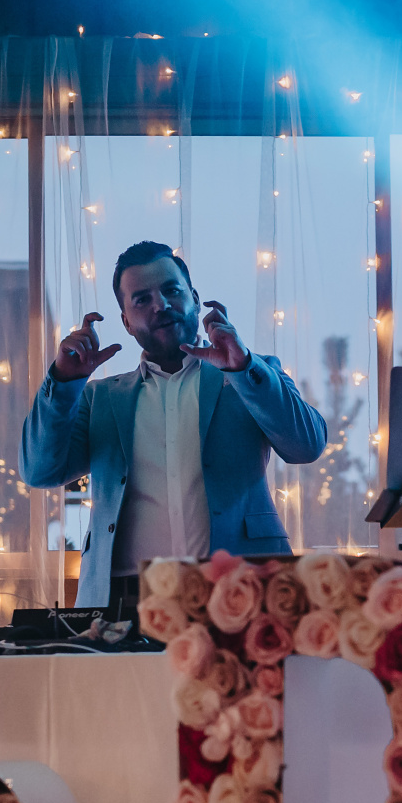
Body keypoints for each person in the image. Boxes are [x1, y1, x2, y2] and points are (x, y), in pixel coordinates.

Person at [19, 239, 327, 613]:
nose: (161, 305)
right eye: (142, 299)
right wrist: (63, 382)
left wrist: (244, 367)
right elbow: (39, 471)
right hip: (123, 602)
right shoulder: (99, 398)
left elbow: (307, 445)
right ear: (126, 322)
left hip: (240, 589)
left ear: (194, 299)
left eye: (171, 290)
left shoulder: (250, 374)